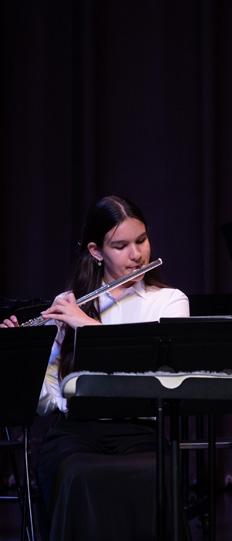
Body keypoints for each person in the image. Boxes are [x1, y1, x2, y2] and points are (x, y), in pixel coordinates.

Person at [2, 195, 189, 540]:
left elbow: (160, 376)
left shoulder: (169, 301)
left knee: (154, 473)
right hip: (75, 434)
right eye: (121, 246)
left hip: (141, 431)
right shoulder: (71, 305)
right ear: (96, 251)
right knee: (77, 474)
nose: (137, 254)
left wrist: (86, 326)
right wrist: (22, 356)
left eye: (141, 240)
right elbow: (47, 401)